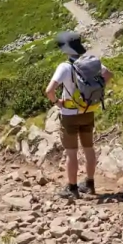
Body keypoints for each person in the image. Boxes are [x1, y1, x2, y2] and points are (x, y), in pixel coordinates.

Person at [45, 31, 111, 200]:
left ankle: (72, 188)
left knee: (72, 152)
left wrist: (57, 103)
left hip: (70, 114)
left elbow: (49, 90)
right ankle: (89, 184)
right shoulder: (91, 62)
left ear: (66, 48)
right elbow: (108, 74)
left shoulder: (65, 67)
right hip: (89, 111)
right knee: (89, 148)